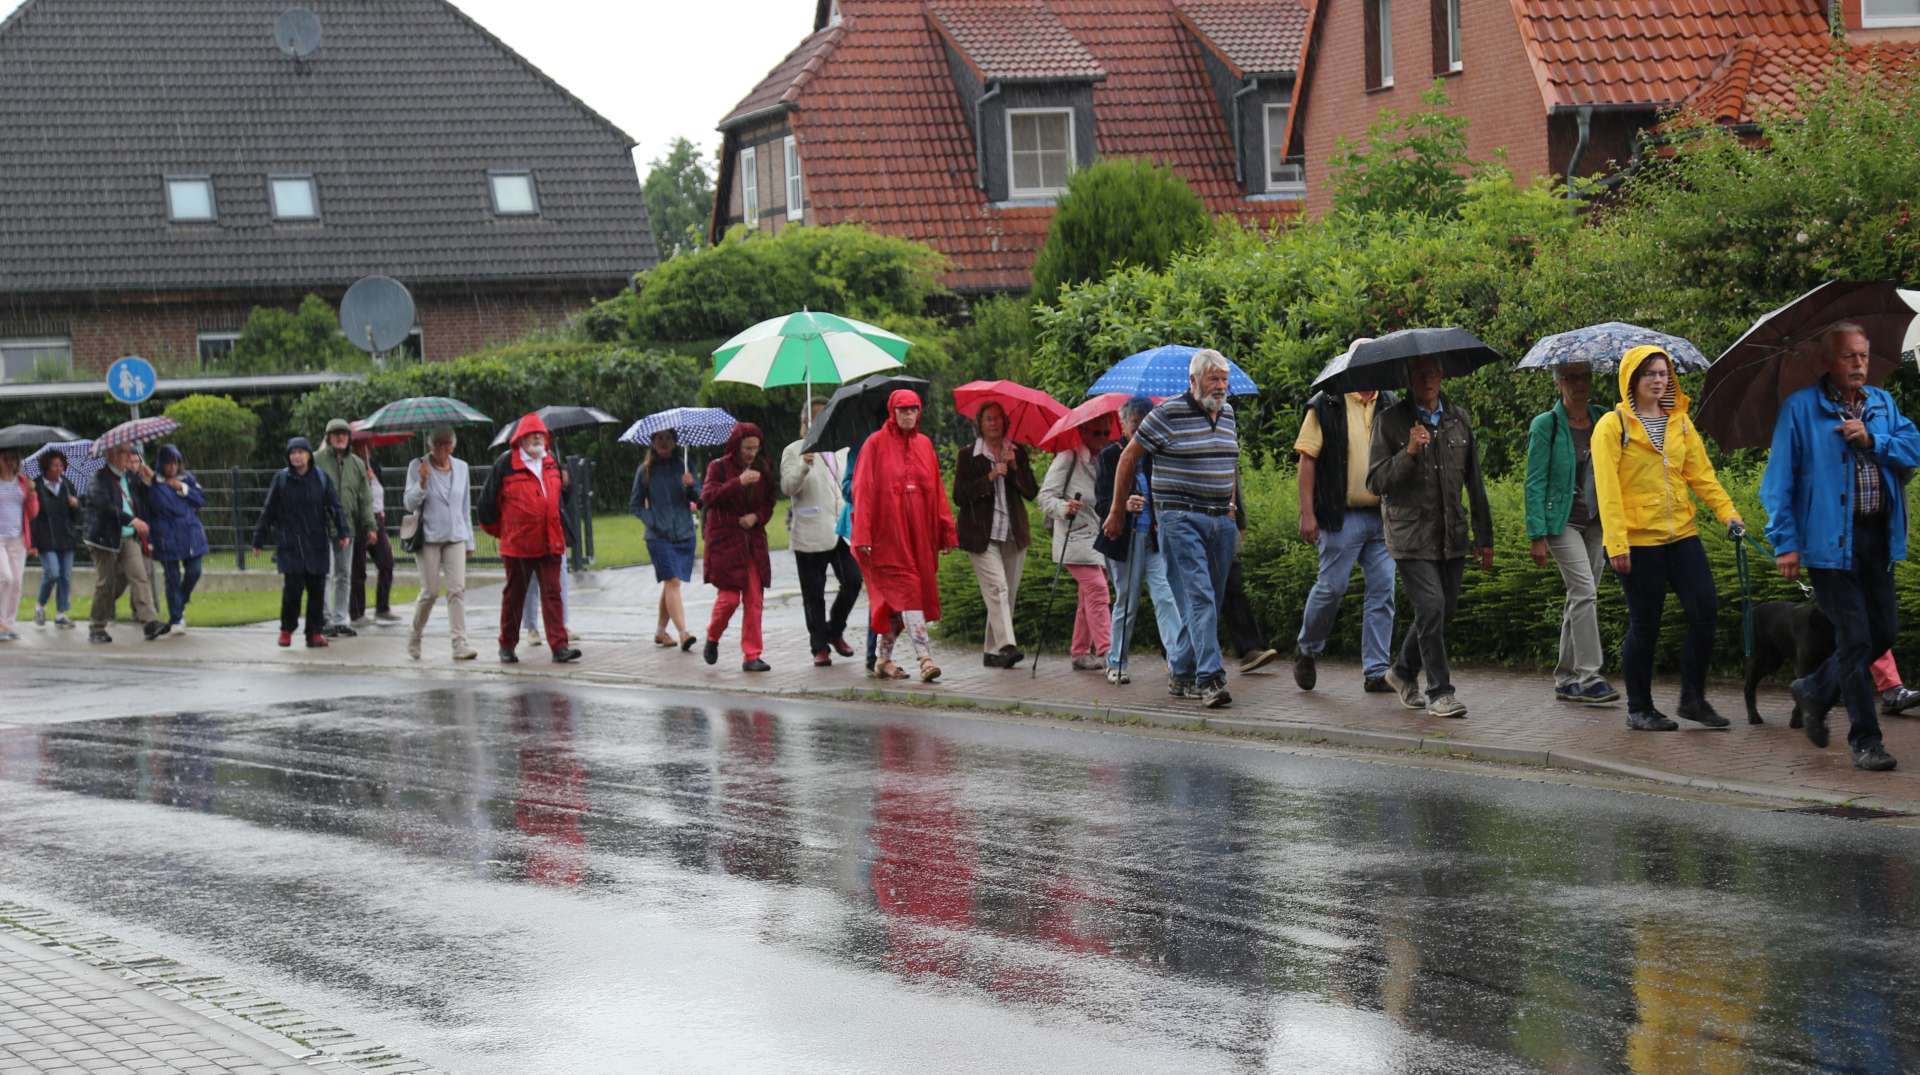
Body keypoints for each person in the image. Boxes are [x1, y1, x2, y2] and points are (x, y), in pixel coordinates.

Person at [1761, 323, 1920, 771]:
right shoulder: (1800, 410)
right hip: (1828, 544)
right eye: (1850, 356)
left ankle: (1813, 690)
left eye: (1864, 356)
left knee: (1884, 632)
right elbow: (1778, 484)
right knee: (1855, 637)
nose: (1859, 365)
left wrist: (1874, 440)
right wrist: (1785, 543)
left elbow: (1913, 448)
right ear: (1828, 362)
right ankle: (1866, 740)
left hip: (1877, 538)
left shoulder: (1883, 404)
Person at [1594, 345, 1742, 732]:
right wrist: (1617, 543)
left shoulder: (1680, 423)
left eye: (1664, 374)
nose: (1659, 381)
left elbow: (1702, 476)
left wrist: (1729, 514)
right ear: (1632, 381)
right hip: (1639, 542)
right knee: (1646, 624)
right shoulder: (1613, 426)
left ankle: (1692, 699)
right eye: (1650, 375)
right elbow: (1607, 490)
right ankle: (1639, 707)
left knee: (1705, 611)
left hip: (1682, 535)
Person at [1102, 348, 1242, 709]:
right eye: (1213, 378)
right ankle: (1210, 678)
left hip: (1219, 519)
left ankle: (1181, 669)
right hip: (1179, 518)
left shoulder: (1227, 414)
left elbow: (1229, 462)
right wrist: (1117, 510)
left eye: (1224, 379)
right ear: (1193, 381)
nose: (1221, 386)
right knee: (1200, 598)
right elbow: (1128, 457)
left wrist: (1232, 510)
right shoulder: (1167, 413)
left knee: (1208, 599)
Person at [1366, 354, 1494, 719]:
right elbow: (1375, 482)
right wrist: (1408, 453)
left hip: (1451, 533)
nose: (1427, 379)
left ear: (1442, 374)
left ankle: (1402, 671)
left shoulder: (1458, 418)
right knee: (1431, 607)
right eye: (1419, 373)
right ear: (1408, 378)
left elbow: (1476, 482)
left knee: (1443, 610)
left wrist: (1485, 536)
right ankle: (1441, 692)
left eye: (1433, 371)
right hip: (1410, 535)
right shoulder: (1390, 422)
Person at [1294, 376, 1398, 693]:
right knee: (1331, 588)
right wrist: (1307, 512)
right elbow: (1307, 459)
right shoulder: (1326, 403)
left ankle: (1376, 670)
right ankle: (1307, 650)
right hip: (1341, 515)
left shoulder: (1391, 402)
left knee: (1383, 590)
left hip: (1382, 515)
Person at [1524, 364, 1620, 705]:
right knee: (1585, 591)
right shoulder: (1546, 425)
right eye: (1571, 378)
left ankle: (1565, 677)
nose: (1579, 385)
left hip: (1597, 520)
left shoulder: (1606, 420)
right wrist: (1537, 535)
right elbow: (1534, 481)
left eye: (1585, 377)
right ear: (1558, 383)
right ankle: (1589, 676)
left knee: (1580, 594)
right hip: (1560, 521)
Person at [851, 389, 959, 684]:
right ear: (892, 412)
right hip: (888, 535)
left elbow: (936, 490)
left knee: (900, 603)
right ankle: (925, 658)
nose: (908, 414)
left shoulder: (924, 445)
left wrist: (945, 532)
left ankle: (883, 659)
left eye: (913, 409)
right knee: (909, 593)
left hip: (919, 534)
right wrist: (863, 534)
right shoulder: (874, 444)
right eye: (902, 409)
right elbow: (863, 490)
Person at [1094, 397, 1189, 686]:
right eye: (1135, 424)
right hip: (1124, 542)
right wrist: (1123, 504)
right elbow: (1100, 504)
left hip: (1154, 541)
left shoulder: (1156, 455)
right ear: (1122, 425)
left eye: (1145, 424)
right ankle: (1116, 662)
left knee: (1166, 598)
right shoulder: (1110, 457)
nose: (1140, 430)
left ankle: (1178, 663)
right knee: (1127, 602)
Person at [484, 414, 580, 664]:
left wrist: (568, 487)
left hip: (550, 541)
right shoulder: (505, 464)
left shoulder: (552, 463)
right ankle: (507, 644)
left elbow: (561, 503)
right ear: (520, 439)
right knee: (515, 596)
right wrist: (503, 532)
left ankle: (559, 646)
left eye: (540, 434)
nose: (537, 438)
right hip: (518, 545)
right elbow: (487, 506)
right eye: (531, 434)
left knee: (552, 594)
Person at [953, 401, 1038, 669]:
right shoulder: (968, 455)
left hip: (1013, 533)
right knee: (997, 589)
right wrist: (990, 477)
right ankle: (1007, 646)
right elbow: (959, 496)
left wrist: (1013, 469)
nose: (994, 423)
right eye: (989, 419)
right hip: (981, 535)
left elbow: (1031, 491)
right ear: (980, 423)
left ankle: (991, 651)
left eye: (998, 419)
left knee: (1005, 594)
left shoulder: (1017, 452)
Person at [784, 398, 864, 667]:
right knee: (813, 593)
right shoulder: (794, 451)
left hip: (840, 530)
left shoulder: (841, 450)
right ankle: (819, 646)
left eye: (825, 416)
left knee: (853, 580)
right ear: (805, 422)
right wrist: (803, 466)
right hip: (809, 532)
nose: (820, 422)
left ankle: (834, 629)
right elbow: (787, 488)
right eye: (814, 417)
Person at [251, 437, 348, 648]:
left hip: (317, 543)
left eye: (300, 452)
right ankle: (287, 629)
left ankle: (314, 633)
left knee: (317, 591)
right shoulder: (282, 479)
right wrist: (258, 538)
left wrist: (343, 531)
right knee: (292, 591)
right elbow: (269, 510)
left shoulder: (321, 478)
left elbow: (335, 506)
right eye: (292, 452)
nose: (296, 456)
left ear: (309, 455)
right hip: (291, 544)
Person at [703, 422, 779, 672]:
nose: (751, 453)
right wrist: (738, 482)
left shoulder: (763, 468)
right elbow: (709, 497)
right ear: (736, 446)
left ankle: (752, 655)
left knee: (754, 600)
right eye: (747, 448)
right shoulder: (718, 467)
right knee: (729, 599)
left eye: (755, 448)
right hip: (726, 543)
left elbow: (769, 502)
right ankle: (713, 636)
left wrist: (757, 517)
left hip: (753, 544)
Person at [1040, 421, 1113, 671]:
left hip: (1099, 540)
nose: (1103, 437)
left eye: (1106, 432)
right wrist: (1063, 507)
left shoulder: (1106, 459)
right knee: (1098, 590)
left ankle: (1080, 651)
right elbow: (1046, 497)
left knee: (1088, 596)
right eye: (1097, 432)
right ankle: (1108, 651)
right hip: (1073, 539)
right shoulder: (1068, 457)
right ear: (1083, 432)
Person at [403, 427, 477, 661]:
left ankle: (459, 643)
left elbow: (465, 506)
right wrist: (422, 483)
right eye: (437, 444)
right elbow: (408, 503)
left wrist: (469, 540)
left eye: (446, 444)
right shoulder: (417, 466)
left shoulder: (462, 468)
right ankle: (414, 635)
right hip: (429, 536)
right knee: (431, 592)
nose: (442, 449)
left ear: (453, 445)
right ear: (430, 446)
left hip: (455, 535)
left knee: (457, 590)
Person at [84, 443, 167, 644]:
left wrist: (150, 480)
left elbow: (145, 497)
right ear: (112, 455)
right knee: (107, 584)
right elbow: (105, 507)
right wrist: (131, 520)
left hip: (128, 537)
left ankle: (149, 622)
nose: (129, 456)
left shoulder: (129, 477)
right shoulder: (99, 479)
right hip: (104, 539)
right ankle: (97, 626)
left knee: (139, 576)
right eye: (124, 452)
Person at [630, 427, 700, 651]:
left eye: (668, 438)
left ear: (675, 441)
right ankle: (683, 633)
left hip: (684, 533)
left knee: (671, 584)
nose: (663, 442)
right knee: (673, 582)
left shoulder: (685, 465)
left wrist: (691, 487)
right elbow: (635, 506)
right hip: (658, 537)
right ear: (652, 441)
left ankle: (661, 632)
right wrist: (654, 521)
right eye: (659, 438)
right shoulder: (645, 471)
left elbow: (701, 500)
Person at [315, 418, 377, 638]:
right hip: (321, 527)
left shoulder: (358, 464)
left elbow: (365, 498)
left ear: (349, 438)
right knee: (325, 573)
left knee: (343, 574)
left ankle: (341, 619)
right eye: (335, 434)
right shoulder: (316, 461)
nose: (340, 437)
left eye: (344, 433)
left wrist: (370, 525)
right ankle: (325, 618)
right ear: (328, 437)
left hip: (347, 528)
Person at [146, 445, 209, 634]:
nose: (172, 467)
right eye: (168, 463)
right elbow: (149, 509)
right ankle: (176, 618)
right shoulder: (152, 483)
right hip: (166, 536)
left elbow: (201, 500)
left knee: (194, 571)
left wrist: (182, 488)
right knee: (172, 578)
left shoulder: (187, 479)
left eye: (175, 463)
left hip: (190, 534)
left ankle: (180, 602)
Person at [523, 434, 579, 647]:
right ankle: (532, 628)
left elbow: (564, 499)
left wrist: (566, 484)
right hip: (530, 531)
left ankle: (562, 625)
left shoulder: (553, 460)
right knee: (531, 582)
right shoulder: (517, 463)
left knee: (560, 579)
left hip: (555, 529)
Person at [348, 438, 398, 626]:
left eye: (368, 445)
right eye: (362, 445)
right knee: (358, 568)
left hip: (377, 519)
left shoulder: (374, 466)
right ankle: (356, 613)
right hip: (359, 520)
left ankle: (382, 607)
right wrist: (363, 481)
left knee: (386, 562)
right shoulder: (350, 466)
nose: (367, 449)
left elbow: (378, 492)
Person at [29, 449, 80, 628]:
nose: (59, 469)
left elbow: (76, 516)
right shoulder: (36, 486)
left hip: (66, 537)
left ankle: (60, 614)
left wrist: (75, 505)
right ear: (46, 467)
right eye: (54, 465)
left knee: (65, 576)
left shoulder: (67, 484)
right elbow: (32, 516)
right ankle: (39, 606)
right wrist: (33, 543)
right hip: (46, 539)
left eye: (61, 465)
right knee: (52, 573)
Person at [0, 450, 35, 642]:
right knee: (5, 577)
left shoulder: (22, 482)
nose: (9, 463)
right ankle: (0, 621)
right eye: (5, 459)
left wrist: (31, 493)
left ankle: (9, 623)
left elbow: (34, 512)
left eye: (12, 459)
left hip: (18, 538)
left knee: (17, 582)